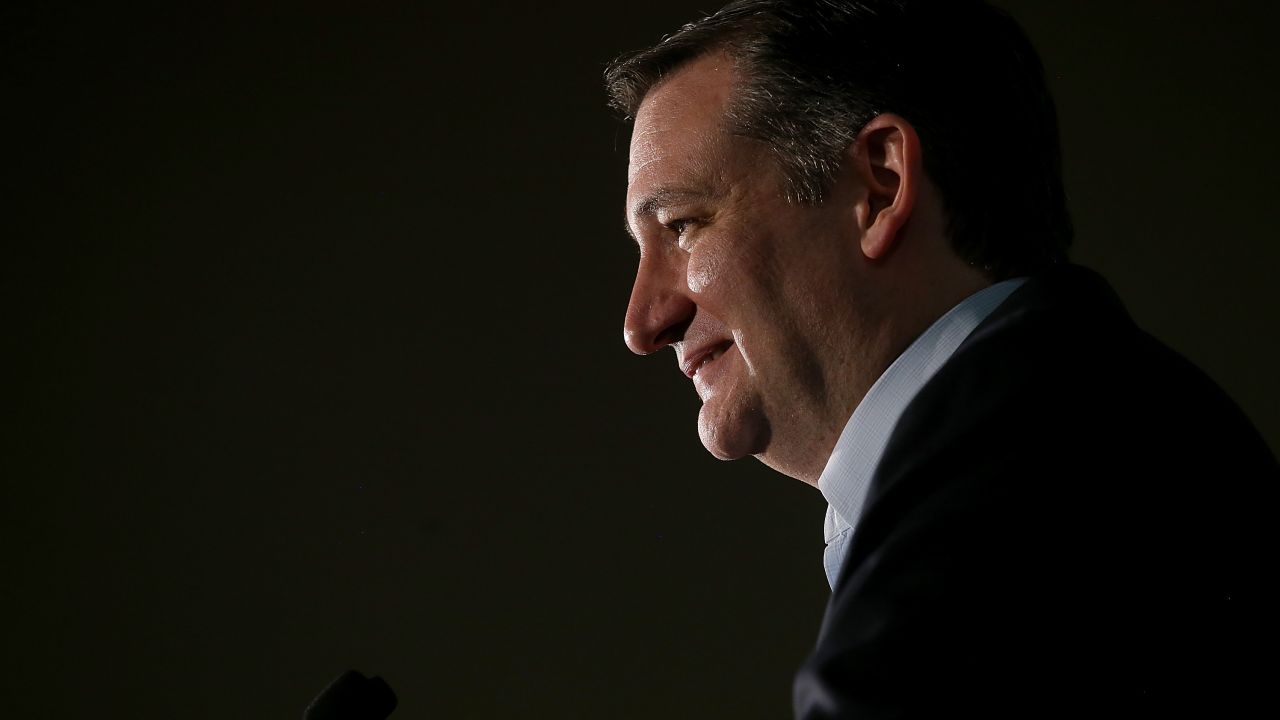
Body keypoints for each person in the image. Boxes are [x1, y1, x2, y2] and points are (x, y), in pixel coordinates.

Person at [605, 1, 1277, 717]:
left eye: (682, 225)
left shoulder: (1044, 493)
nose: (643, 324)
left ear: (881, 187)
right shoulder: (1082, 429)